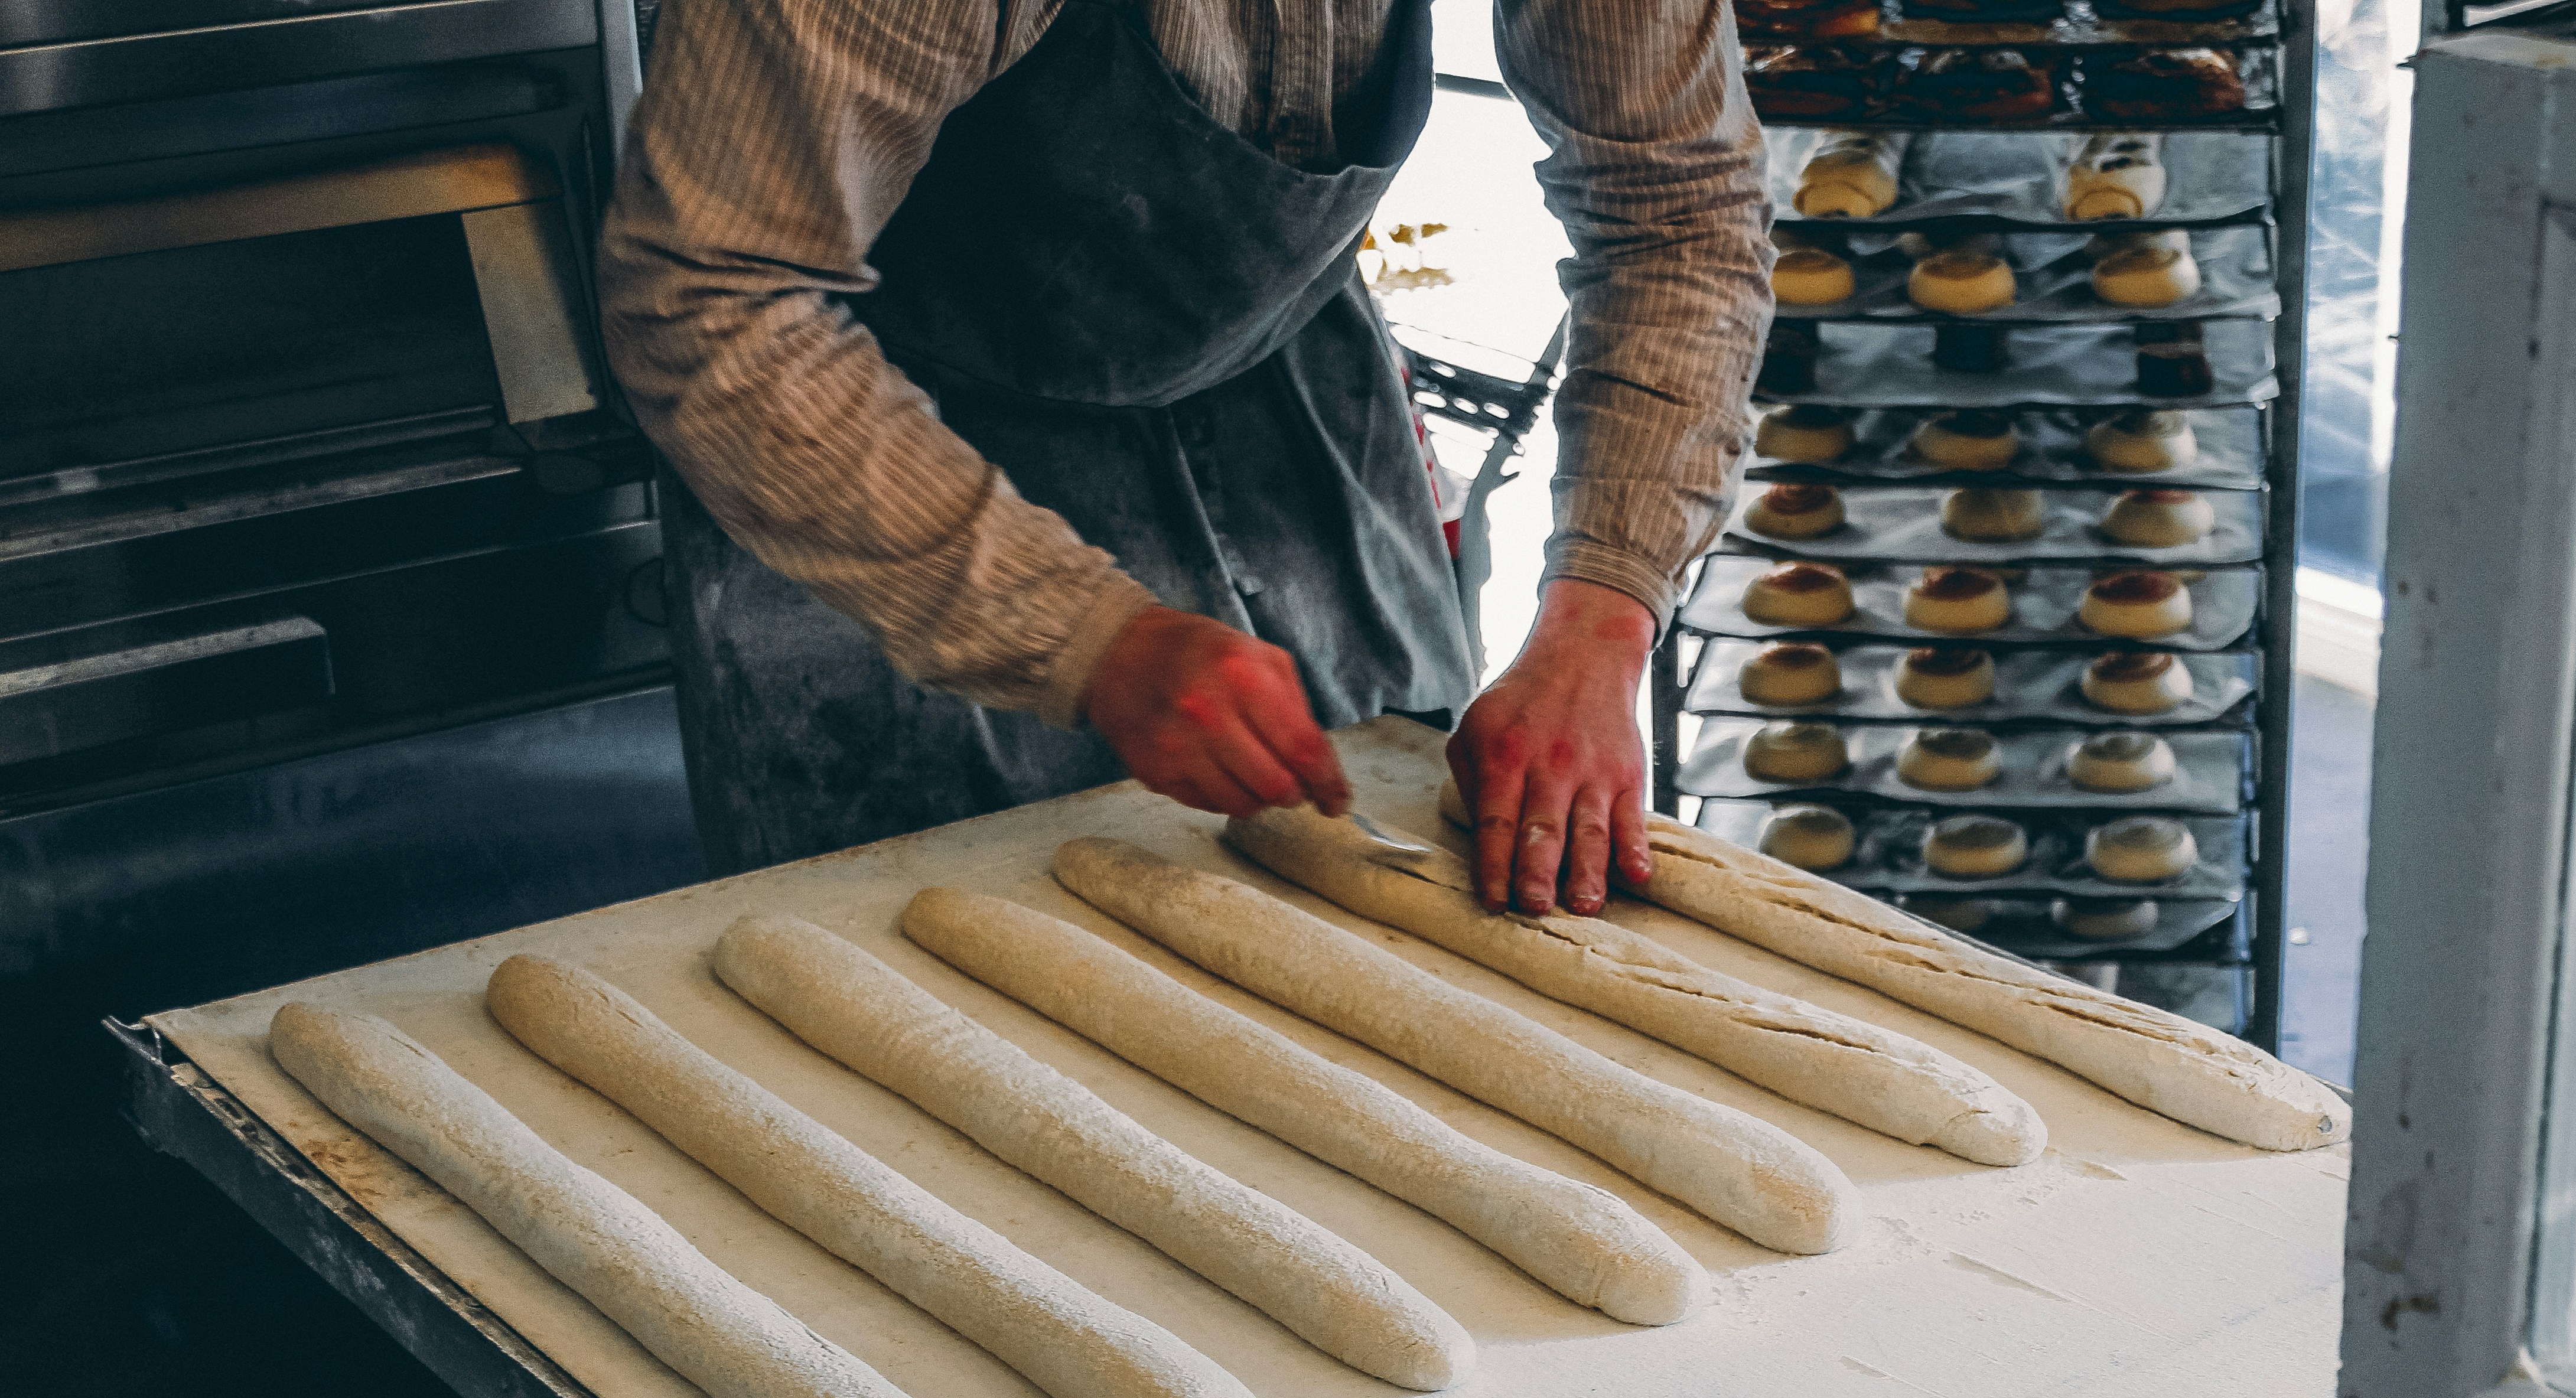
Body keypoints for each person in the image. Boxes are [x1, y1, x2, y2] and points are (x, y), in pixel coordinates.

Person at [599, 0, 1770, 917]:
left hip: (1288, 406)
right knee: (926, 1029)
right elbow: (712, 289)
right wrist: (1081, 633)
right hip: (873, 442)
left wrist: (1601, 618)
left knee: (1414, 942)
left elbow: (1675, 207)